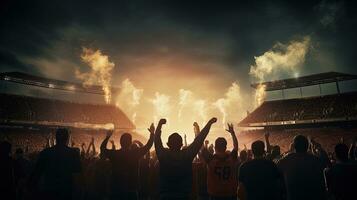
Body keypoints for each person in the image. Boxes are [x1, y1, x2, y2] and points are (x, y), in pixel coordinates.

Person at [155, 117, 217, 200]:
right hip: (184, 195)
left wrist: (159, 125)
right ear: (181, 144)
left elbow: (157, 141)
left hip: (165, 195)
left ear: (168, 144)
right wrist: (209, 124)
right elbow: (199, 140)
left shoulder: (163, 155)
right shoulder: (186, 155)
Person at [100, 125, 155, 200]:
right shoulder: (134, 154)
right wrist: (152, 133)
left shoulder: (115, 154)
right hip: (131, 191)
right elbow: (148, 145)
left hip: (116, 191)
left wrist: (107, 137)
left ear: (120, 142)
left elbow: (103, 149)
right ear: (130, 143)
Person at [30, 128, 82, 200]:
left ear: (56, 138)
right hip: (66, 193)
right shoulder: (74, 153)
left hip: (49, 192)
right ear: (67, 139)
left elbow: (36, 175)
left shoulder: (45, 152)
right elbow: (78, 176)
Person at [277, 135, 327, 200]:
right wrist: (317, 146)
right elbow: (326, 161)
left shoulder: (286, 160)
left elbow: (276, 164)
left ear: (294, 146)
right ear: (307, 146)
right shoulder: (315, 160)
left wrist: (290, 151)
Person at [201, 123, 239, 200]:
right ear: (225, 147)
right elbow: (236, 147)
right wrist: (232, 133)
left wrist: (199, 131)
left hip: (215, 194)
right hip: (230, 194)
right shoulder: (231, 158)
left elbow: (201, 147)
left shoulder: (211, 160)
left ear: (215, 147)